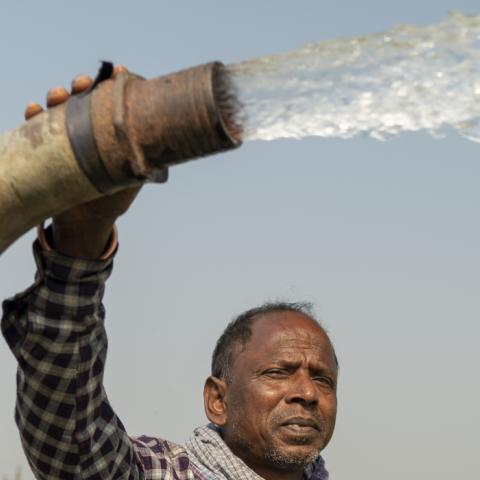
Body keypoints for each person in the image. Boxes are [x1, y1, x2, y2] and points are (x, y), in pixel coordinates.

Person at [2, 68, 338, 480]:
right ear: (218, 399)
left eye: (322, 380)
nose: (307, 394)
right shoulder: (163, 472)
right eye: (278, 372)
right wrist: (82, 237)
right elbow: (71, 442)